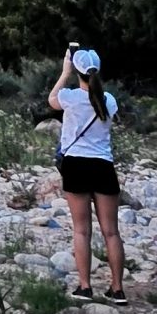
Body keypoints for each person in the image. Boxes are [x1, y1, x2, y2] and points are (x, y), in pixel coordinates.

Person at [49, 43, 124, 300]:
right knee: (111, 231)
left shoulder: (70, 97)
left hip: (76, 165)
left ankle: (85, 286)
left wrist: (64, 72)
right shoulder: (109, 100)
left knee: (81, 230)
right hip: (103, 165)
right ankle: (117, 288)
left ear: (77, 71)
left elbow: (52, 100)